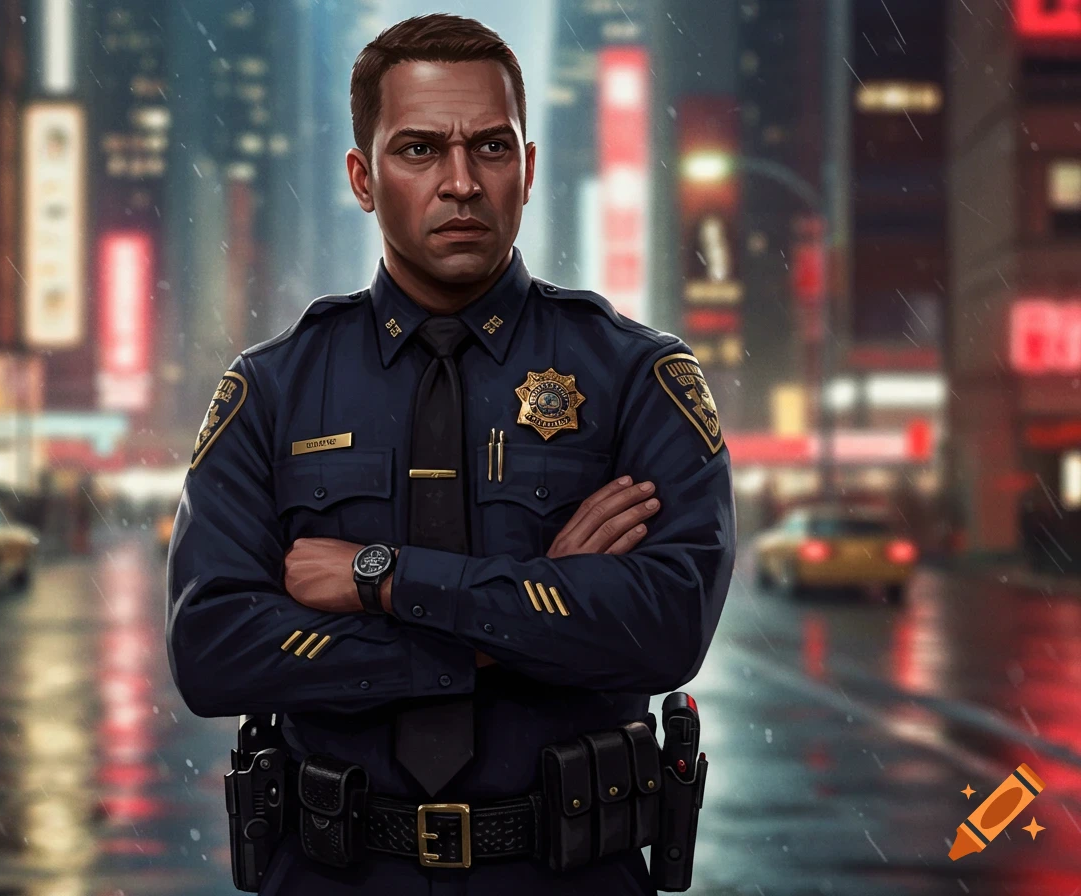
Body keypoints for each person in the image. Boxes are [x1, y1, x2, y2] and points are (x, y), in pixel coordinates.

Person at [166, 14, 735, 894]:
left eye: (491, 148)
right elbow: (213, 651)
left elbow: (666, 628)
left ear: (530, 169)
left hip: (570, 873)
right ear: (363, 177)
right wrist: (512, 621)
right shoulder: (273, 390)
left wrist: (381, 579)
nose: (461, 183)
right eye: (421, 149)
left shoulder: (637, 376)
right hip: (333, 872)